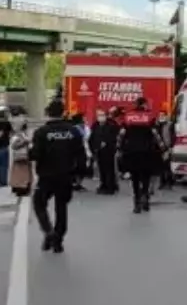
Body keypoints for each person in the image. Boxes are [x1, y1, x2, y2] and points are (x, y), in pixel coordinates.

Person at [30, 100, 86, 253]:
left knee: (39, 204)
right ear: (63, 113)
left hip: (46, 176)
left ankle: (48, 232)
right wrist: (80, 174)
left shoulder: (41, 132)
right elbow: (81, 154)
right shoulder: (74, 132)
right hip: (66, 176)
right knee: (61, 208)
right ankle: (58, 240)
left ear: (48, 113)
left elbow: (35, 154)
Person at [117, 97, 165, 213]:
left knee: (135, 178)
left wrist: (119, 148)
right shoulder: (150, 117)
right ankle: (145, 197)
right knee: (146, 177)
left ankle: (136, 202)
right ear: (144, 104)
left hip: (131, 152)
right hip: (147, 152)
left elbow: (121, 135)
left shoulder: (128, 117)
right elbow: (156, 135)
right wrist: (163, 148)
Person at [94, 107, 121, 194]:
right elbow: (93, 137)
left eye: (102, 115)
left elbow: (115, 136)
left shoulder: (111, 125)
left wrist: (106, 142)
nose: (100, 117)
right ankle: (103, 184)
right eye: (98, 115)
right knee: (101, 168)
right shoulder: (96, 125)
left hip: (109, 150)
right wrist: (96, 145)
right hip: (99, 150)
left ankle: (110, 187)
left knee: (109, 169)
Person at [155, 111, 175, 190]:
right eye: (160, 115)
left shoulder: (170, 124)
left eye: (163, 115)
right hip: (158, 148)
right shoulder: (156, 124)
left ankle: (169, 182)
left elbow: (173, 136)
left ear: (166, 116)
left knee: (167, 165)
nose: (161, 116)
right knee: (160, 166)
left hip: (166, 147)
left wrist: (171, 147)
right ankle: (162, 183)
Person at [69, 113, 89, 191]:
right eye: (83, 118)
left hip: (82, 149)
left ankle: (78, 183)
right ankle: (76, 183)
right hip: (77, 150)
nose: (85, 120)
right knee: (78, 167)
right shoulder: (74, 128)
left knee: (81, 167)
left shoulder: (84, 127)